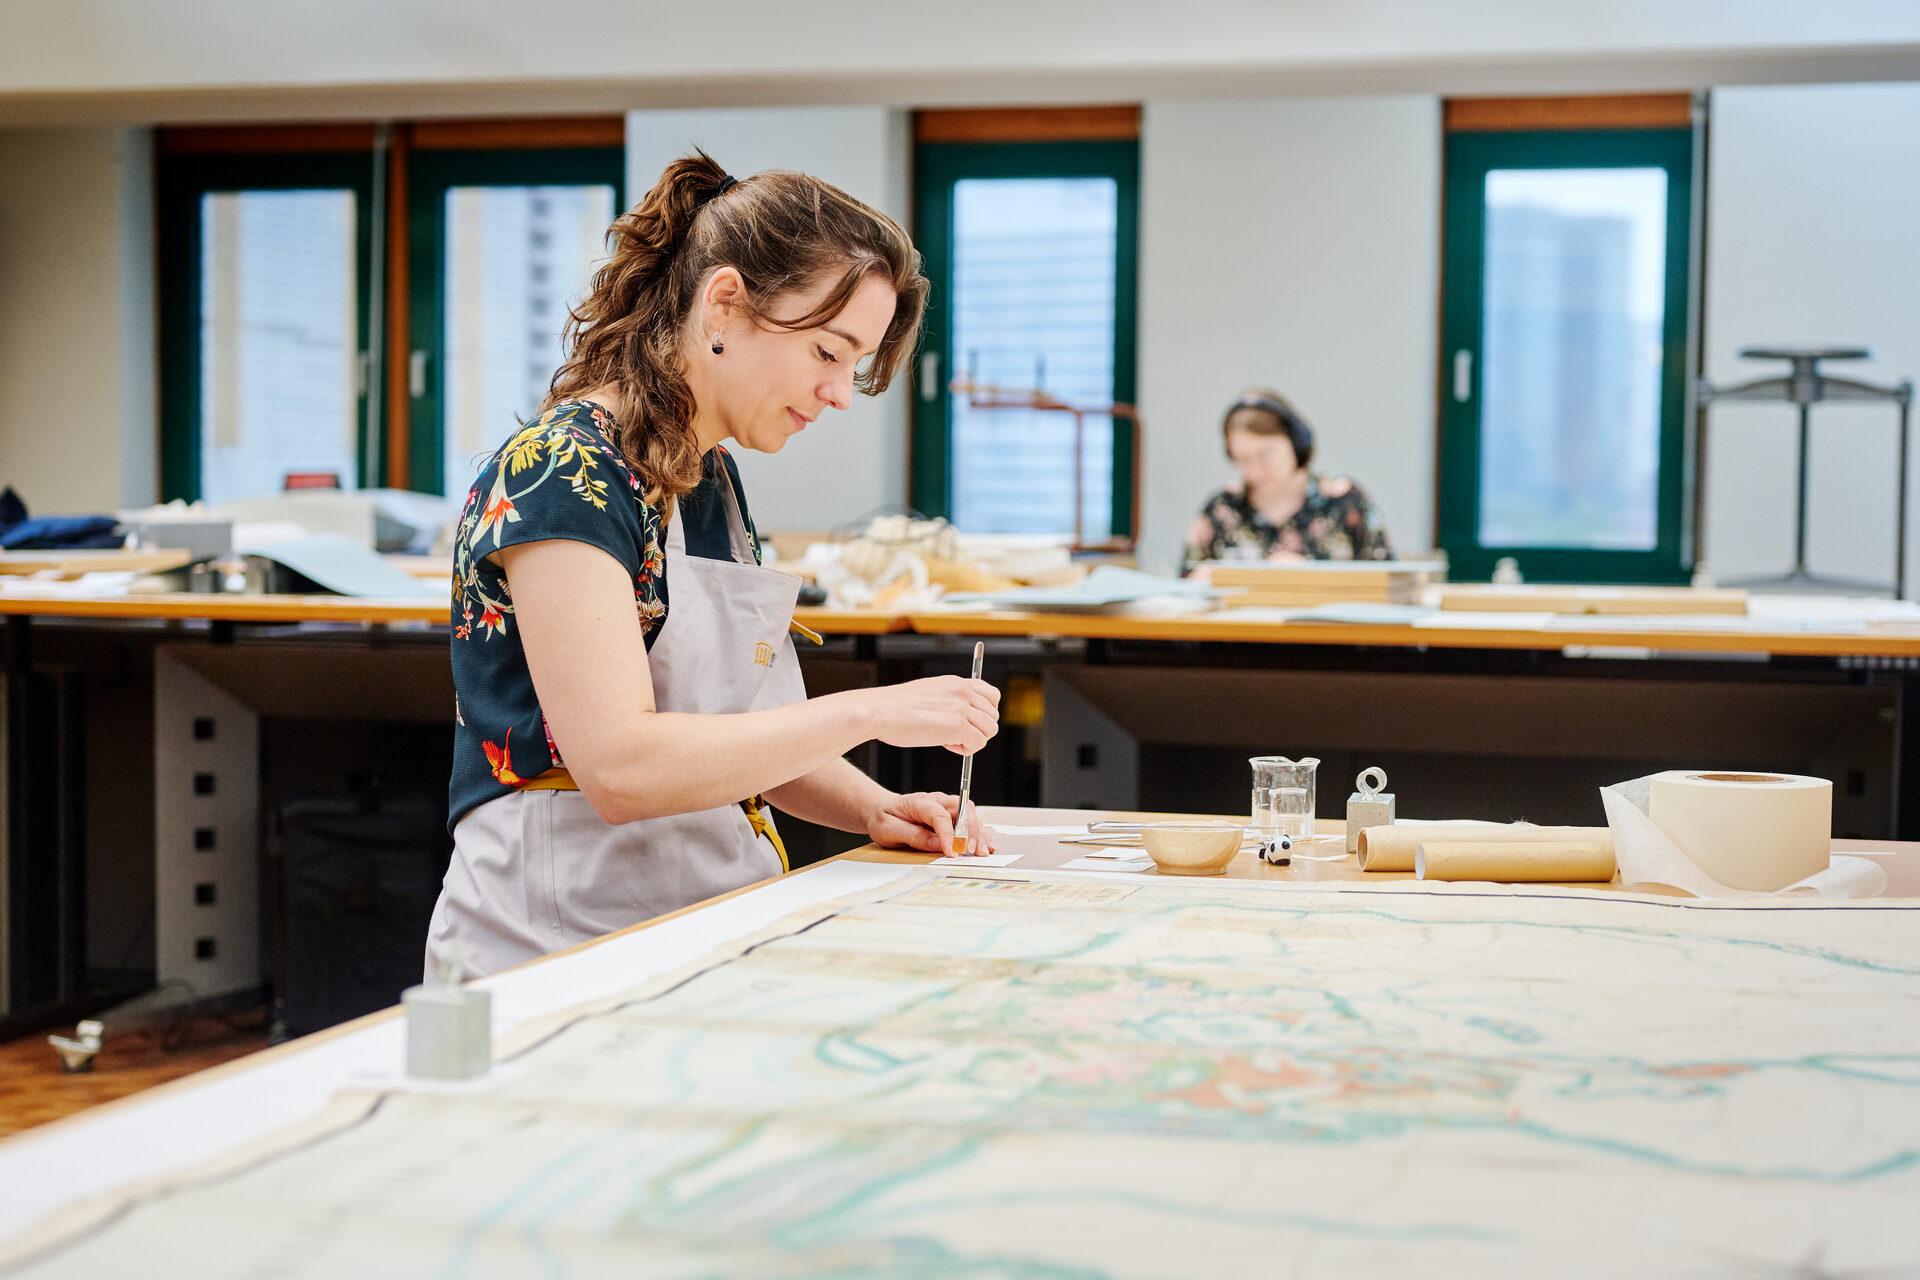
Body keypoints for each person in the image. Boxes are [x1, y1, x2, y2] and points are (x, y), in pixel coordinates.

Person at [426, 153, 1000, 978]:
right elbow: (622, 768)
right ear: (725, 301)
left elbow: (748, 735)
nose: (841, 394)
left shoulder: (709, 479)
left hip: (699, 912)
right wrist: (870, 711)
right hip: (556, 939)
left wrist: (879, 807)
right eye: (829, 353)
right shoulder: (560, 474)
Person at [1182, 388, 1393, 572]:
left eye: (1265, 455)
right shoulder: (1222, 507)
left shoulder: (1345, 500)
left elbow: (1388, 580)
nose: (1255, 470)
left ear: (1295, 442)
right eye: (1243, 460)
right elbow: (1186, 581)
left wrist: (1309, 576)